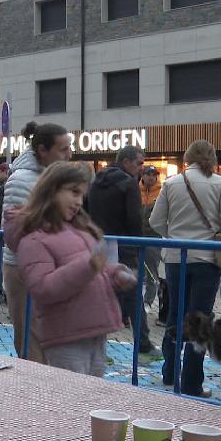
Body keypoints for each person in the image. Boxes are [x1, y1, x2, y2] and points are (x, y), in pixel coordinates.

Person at [6, 161, 130, 377]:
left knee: (92, 394)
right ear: (51, 190)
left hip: (94, 329)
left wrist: (114, 274)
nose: (78, 202)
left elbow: (93, 272)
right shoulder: (34, 239)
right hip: (65, 336)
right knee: (71, 397)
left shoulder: (81, 230)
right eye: (73, 192)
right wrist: (87, 267)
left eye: (82, 195)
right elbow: (43, 288)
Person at [149, 139, 221, 397]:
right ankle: (191, 381)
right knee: (199, 318)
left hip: (176, 257)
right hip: (207, 259)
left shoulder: (171, 182)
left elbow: (156, 221)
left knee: (175, 314)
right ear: (211, 157)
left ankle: (169, 371)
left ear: (188, 157)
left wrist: (175, 234)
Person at [0, 121, 72, 362]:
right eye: (63, 149)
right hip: (26, 269)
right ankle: (32, 394)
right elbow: (15, 234)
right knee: (32, 340)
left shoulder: (53, 179)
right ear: (42, 150)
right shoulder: (22, 180)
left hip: (49, 268)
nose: (69, 154)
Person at [86, 146, 157, 355]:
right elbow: (135, 219)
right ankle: (143, 343)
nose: (141, 169)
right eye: (139, 163)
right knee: (134, 294)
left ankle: (96, 345)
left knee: (102, 293)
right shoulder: (128, 184)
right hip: (124, 245)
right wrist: (139, 244)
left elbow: (88, 210)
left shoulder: (96, 181)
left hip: (99, 243)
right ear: (126, 162)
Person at [140, 166, 167, 321]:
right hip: (136, 237)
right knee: (135, 273)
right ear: (143, 175)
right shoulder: (135, 190)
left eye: (154, 175)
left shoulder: (162, 192)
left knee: (152, 272)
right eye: (148, 174)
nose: (151, 177)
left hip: (153, 238)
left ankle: (148, 302)